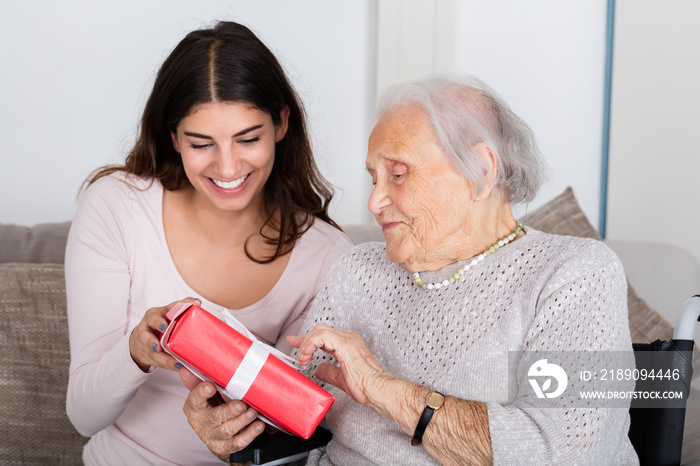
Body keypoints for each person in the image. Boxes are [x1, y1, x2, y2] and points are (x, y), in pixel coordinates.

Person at [182, 75, 639, 465]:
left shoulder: (576, 274)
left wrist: (380, 387)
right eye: (373, 178)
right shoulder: (357, 270)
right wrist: (234, 431)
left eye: (397, 174)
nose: (374, 201)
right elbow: (298, 427)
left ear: (481, 170)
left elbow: (565, 452)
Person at [64, 21, 352, 465]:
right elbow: (83, 416)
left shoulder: (326, 255)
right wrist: (135, 353)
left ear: (281, 124)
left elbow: (310, 426)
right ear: (174, 137)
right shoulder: (116, 207)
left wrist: (238, 424)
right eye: (202, 143)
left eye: (248, 139)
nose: (228, 166)